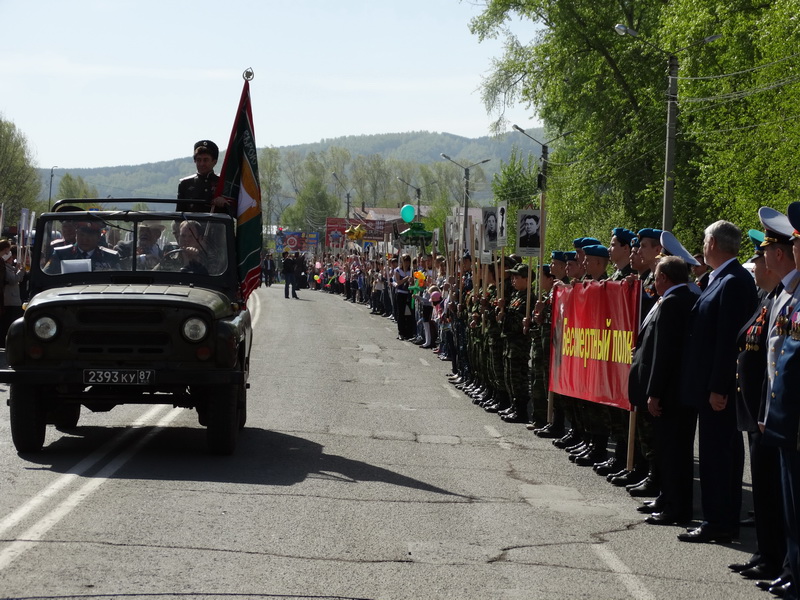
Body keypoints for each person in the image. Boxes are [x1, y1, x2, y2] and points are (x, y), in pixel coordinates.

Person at [678, 220, 758, 543]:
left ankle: (721, 522)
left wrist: (718, 387)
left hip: (720, 389)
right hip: (710, 385)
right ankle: (717, 519)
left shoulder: (735, 280)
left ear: (713, 244)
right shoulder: (718, 278)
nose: (703, 243)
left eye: (704, 238)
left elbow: (728, 341)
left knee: (721, 455)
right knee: (713, 454)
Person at [629, 256, 699, 526]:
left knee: (673, 453)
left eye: (656, 276)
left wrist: (654, 392)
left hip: (670, 394)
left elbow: (664, 353)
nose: (653, 281)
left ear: (663, 279)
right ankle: (666, 497)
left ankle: (675, 508)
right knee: (669, 451)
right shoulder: (681, 298)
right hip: (675, 392)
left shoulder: (672, 302)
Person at [45, 221, 120, 274]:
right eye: (81, 235)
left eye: (90, 236)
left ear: (98, 237)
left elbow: (119, 282)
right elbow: (46, 276)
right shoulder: (60, 254)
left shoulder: (111, 257)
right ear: (76, 235)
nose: (85, 240)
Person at [177, 140, 230, 214]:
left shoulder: (224, 184)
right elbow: (179, 214)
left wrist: (224, 203)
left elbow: (233, 212)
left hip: (216, 224)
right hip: (191, 225)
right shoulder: (185, 184)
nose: (202, 164)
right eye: (199, 160)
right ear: (194, 161)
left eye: (206, 160)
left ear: (214, 162)